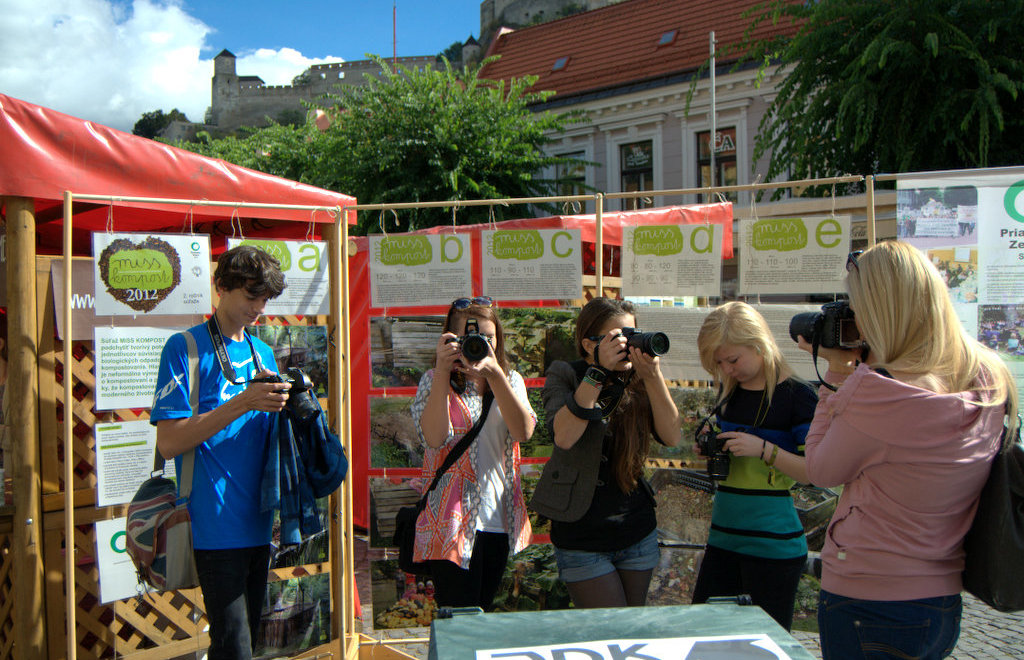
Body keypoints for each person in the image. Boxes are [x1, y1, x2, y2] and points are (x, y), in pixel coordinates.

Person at [799, 241, 1018, 659]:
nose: (855, 319)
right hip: (940, 598)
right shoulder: (988, 377)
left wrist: (837, 375)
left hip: (868, 596)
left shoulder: (880, 394)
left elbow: (820, 468)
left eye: (858, 307)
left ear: (880, 310)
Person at [150, 245, 289, 660]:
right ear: (221, 287)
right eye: (251, 296)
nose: (258, 308)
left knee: (246, 645)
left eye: (265, 299)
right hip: (213, 522)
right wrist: (242, 402)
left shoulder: (263, 353)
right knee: (234, 648)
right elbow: (168, 442)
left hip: (260, 521)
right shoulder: (185, 348)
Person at [530, 297, 680, 608]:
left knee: (631, 626)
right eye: (618, 339)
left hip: (636, 528)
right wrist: (597, 371)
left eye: (632, 336)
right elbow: (564, 437)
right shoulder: (565, 373)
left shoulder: (639, 376)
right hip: (582, 534)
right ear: (589, 344)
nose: (628, 346)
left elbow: (672, 435)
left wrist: (653, 377)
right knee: (608, 626)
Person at [690, 301, 817, 631]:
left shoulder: (799, 395)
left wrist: (763, 450)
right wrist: (710, 445)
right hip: (723, 537)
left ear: (760, 345)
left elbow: (813, 472)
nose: (727, 369)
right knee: (706, 638)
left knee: (764, 644)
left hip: (773, 545)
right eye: (719, 363)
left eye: (732, 360)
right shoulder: (728, 392)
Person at [409, 296, 535, 610]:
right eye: (470, 337)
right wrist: (442, 370)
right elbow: (434, 438)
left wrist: (494, 375)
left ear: (498, 340)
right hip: (449, 522)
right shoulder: (433, 380)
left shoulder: (511, 380)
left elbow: (523, 432)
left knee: (484, 617)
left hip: (498, 519)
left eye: (488, 338)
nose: (480, 344)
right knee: (459, 617)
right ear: (450, 339)